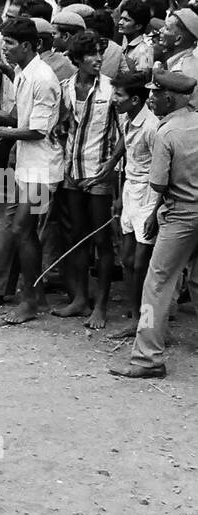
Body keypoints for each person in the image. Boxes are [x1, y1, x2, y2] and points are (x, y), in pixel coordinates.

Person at [0, 18, 63, 326]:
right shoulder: (25, 73)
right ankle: (34, 295)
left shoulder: (43, 78)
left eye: (9, 43)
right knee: (24, 231)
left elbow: (37, 130)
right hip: (27, 166)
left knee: (22, 229)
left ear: (27, 45)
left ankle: (30, 300)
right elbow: (18, 116)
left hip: (41, 168)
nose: (4, 48)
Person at [109, 72, 198, 379]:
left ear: (169, 98)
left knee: (156, 285)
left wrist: (154, 214)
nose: (151, 99)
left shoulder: (166, 132)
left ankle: (148, 357)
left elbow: (158, 184)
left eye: (155, 95)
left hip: (180, 215)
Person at [53, 30, 118, 329]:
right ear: (77, 59)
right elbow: (61, 127)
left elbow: (125, 134)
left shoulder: (111, 90)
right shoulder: (66, 87)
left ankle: (101, 306)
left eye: (99, 52)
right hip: (72, 171)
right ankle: (80, 298)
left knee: (103, 241)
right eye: (90, 54)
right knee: (76, 237)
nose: (98, 58)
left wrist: (111, 164)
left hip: (99, 173)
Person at [98, 72, 158, 340]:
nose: (114, 100)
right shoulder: (127, 118)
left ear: (135, 99)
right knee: (129, 260)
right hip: (130, 190)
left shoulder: (153, 127)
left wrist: (156, 212)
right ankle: (136, 318)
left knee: (143, 264)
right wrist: (111, 165)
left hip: (150, 195)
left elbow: (162, 171)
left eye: (119, 95)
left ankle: (149, 323)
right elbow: (125, 142)